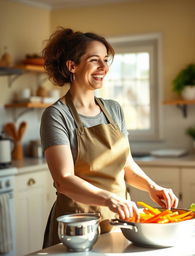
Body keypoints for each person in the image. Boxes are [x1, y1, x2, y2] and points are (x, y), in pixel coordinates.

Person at [40, 27, 178, 248]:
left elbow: (126, 166)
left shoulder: (113, 110)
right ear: (72, 66)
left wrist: (152, 187)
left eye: (106, 60)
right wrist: (110, 199)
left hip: (120, 219)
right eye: (95, 60)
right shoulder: (57, 115)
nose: (104, 67)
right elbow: (63, 180)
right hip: (79, 225)